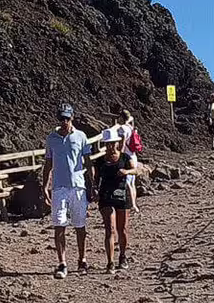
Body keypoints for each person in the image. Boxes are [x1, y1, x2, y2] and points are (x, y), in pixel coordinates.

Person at [41, 104, 92, 278]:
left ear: (72, 118)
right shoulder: (51, 138)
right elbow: (48, 163)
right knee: (59, 224)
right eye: (61, 118)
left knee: (80, 224)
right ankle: (62, 262)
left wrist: (92, 184)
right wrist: (44, 186)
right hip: (58, 187)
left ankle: (82, 259)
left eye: (67, 118)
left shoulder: (81, 136)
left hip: (78, 185)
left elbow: (88, 161)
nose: (64, 122)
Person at [88, 136, 142, 273]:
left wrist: (127, 171)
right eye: (108, 144)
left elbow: (136, 170)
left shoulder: (124, 158)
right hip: (106, 196)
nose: (111, 146)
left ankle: (122, 256)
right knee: (109, 228)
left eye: (113, 143)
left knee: (122, 228)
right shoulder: (100, 161)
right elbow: (95, 178)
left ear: (117, 143)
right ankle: (110, 261)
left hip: (122, 195)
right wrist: (94, 189)